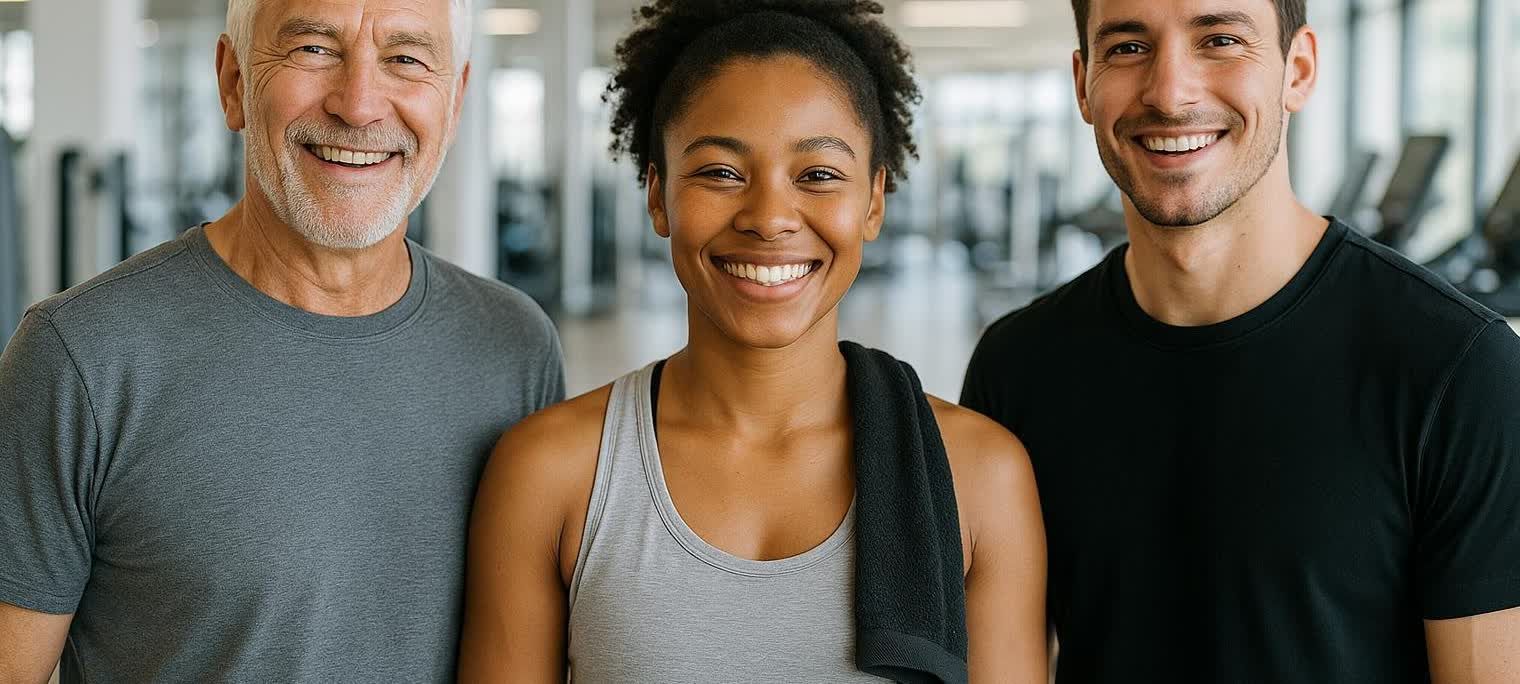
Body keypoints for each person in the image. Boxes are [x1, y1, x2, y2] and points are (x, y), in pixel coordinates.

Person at [457, 1, 1047, 681]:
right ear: (657, 196)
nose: (769, 218)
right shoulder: (548, 473)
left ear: (876, 202)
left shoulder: (982, 477)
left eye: (818, 175)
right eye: (720, 172)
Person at [0, 0, 563, 680]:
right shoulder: (80, 357)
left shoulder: (514, 346)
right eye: (313, 50)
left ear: (456, 102)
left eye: (406, 59)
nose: (359, 105)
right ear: (234, 82)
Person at [960, 0, 1520, 681]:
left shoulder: (1457, 371)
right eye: (1129, 48)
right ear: (1083, 83)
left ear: (1299, 69)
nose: (1171, 92)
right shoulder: (1018, 367)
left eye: (1220, 40)